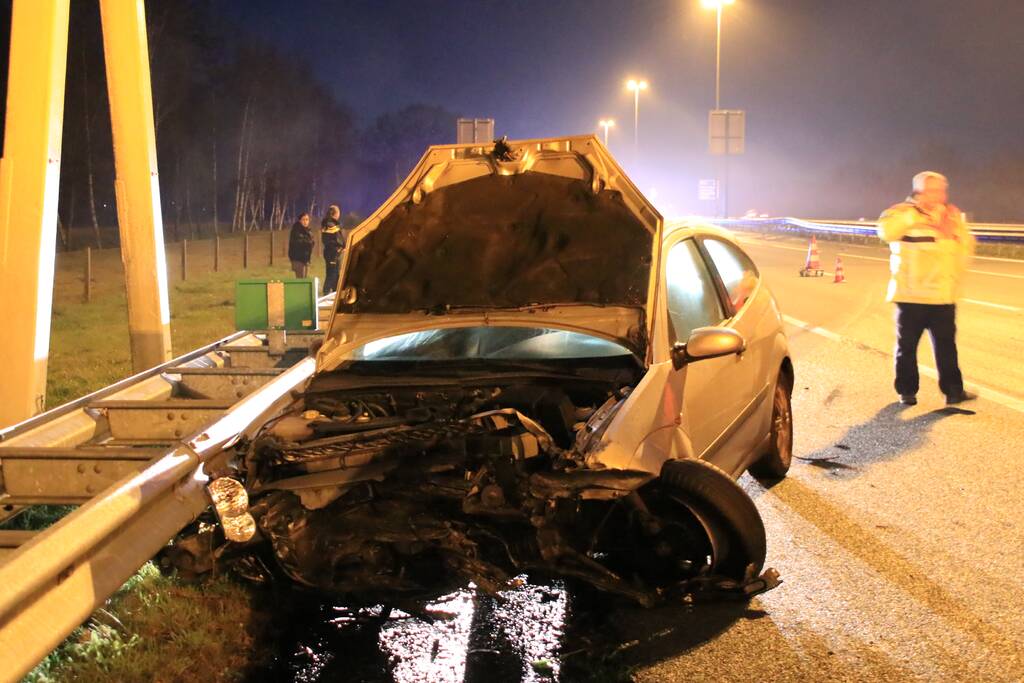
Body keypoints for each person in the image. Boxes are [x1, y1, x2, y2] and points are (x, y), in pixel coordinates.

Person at [877, 171, 976, 406]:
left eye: (942, 190)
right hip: (911, 295)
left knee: (947, 347)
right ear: (919, 192)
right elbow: (886, 232)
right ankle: (907, 391)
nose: (939, 196)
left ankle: (953, 391)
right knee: (907, 347)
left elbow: (965, 246)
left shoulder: (950, 214)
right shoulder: (901, 212)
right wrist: (915, 216)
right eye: (933, 191)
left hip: (942, 295)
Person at [321, 204, 344, 295]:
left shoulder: (332, 223)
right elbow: (335, 239)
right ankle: (326, 292)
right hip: (332, 252)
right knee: (331, 273)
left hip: (335, 252)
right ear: (336, 213)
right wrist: (341, 246)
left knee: (336, 274)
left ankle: (335, 294)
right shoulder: (329, 224)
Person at [287, 212, 314, 278]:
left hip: (306, 258)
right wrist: (309, 242)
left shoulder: (308, 231)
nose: (305, 221)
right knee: (300, 279)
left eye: (307, 219)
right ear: (300, 221)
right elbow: (299, 243)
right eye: (303, 219)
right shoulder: (296, 230)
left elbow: (312, 242)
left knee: (305, 279)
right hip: (297, 259)